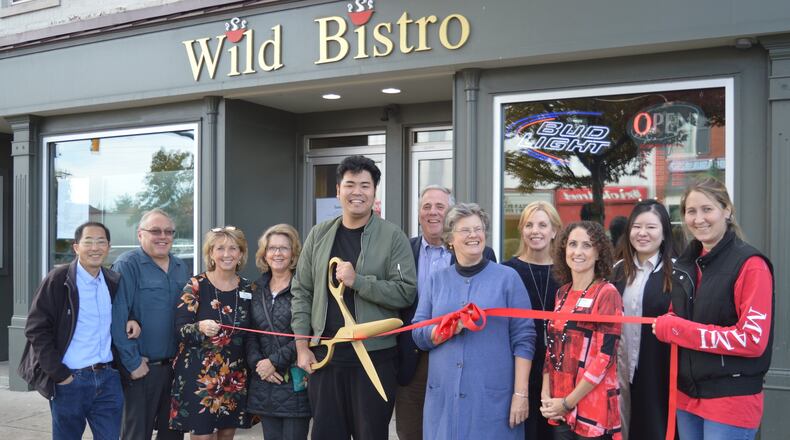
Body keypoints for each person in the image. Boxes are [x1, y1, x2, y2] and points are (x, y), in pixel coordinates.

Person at [291, 155, 417, 440]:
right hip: (326, 357)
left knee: (370, 434)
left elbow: (405, 292)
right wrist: (302, 346)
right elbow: (302, 292)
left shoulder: (393, 237)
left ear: (374, 192)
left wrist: (357, 281)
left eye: (365, 185)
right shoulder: (319, 235)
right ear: (338, 190)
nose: (357, 192)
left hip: (375, 358)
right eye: (350, 185)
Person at [653, 177, 774, 440]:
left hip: (731, 399)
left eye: (707, 209)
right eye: (691, 211)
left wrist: (678, 329)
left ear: (727, 211)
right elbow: (678, 316)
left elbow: (752, 340)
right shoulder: (686, 263)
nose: (699, 219)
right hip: (688, 396)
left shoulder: (751, 264)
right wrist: (669, 322)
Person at [412, 203, 536, 439]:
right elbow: (418, 334)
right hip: (444, 402)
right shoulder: (436, 281)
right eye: (465, 230)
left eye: (478, 229)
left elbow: (524, 339)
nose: (473, 235)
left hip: (491, 401)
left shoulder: (507, 278)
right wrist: (447, 329)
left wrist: (520, 395)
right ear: (450, 239)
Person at [396, 185, 497, 440]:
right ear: (419, 213)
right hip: (412, 361)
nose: (433, 213)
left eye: (440, 206)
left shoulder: (482, 253)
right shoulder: (403, 250)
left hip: (459, 356)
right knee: (411, 432)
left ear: (450, 213)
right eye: (426, 207)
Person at [18, 222, 124, 439]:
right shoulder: (58, 280)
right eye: (88, 241)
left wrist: (134, 321)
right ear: (76, 247)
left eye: (101, 241)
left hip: (108, 380)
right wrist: (59, 374)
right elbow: (36, 329)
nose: (95, 247)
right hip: (71, 380)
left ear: (109, 247)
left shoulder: (113, 281)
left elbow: (121, 318)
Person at [111, 208, 190, 440]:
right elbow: (117, 317)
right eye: (155, 231)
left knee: (173, 434)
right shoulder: (127, 265)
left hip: (175, 369)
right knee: (137, 434)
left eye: (168, 231)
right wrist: (132, 362)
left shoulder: (180, 267)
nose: (163, 236)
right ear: (140, 235)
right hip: (143, 369)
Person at [540, 221, 623, 440]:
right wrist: (545, 394)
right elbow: (552, 348)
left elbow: (604, 358)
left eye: (587, 245)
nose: (578, 252)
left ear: (599, 253)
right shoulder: (562, 294)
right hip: (558, 406)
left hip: (591, 408)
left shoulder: (607, 293)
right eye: (573, 244)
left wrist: (568, 402)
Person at [170, 226, 254, 439]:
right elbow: (180, 330)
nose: (227, 254)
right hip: (200, 375)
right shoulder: (196, 285)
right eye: (220, 248)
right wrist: (199, 327)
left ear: (241, 253)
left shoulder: (249, 288)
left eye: (233, 248)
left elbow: (253, 333)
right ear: (211, 253)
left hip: (234, 375)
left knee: (226, 435)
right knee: (202, 435)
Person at [612, 200, 674, 440]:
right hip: (618, 368)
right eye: (637, 227)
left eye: (651, 227)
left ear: (664, 232)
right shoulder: (616, 271)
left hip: (658, 368)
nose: (642, 233)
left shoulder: (677, 274)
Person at [503, 200, 563, 440]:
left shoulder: (567, 272)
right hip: (517, 368)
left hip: (558, 371)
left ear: (554, 231)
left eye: (542, 224)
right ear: (521, 229)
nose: (535, 230)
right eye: (529, 224)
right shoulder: (507, 271)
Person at [246, 224, 311, 440]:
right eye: (272, 248)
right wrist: (260, 365)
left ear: (293, 253)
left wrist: (275, 361)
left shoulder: (304, 287)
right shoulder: (256, 289)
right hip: (265, 380)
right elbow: (250, 333)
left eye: (284, 248)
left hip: (293, 379)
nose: (277, 253)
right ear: (264, 253)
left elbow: (309, 331)